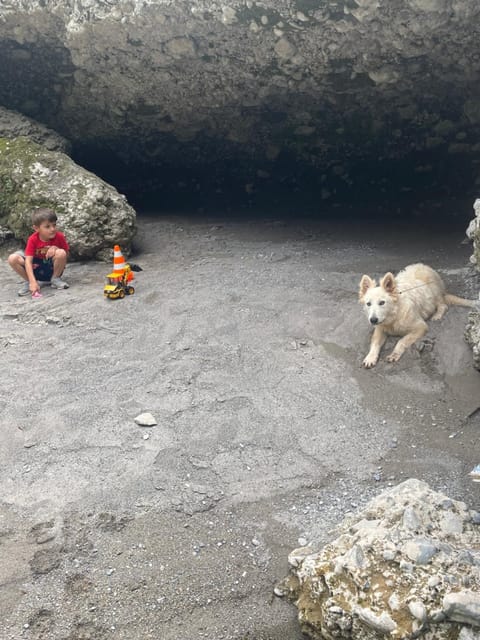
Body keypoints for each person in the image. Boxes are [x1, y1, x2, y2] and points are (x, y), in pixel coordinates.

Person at [8, 207, 70, 296]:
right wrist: (32, 281)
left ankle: (55, 279)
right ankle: (30, 282)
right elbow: (28, 261)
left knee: (61, 253)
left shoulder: (59, 236)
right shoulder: (33, 239)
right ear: (36, 228)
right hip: (35, 267)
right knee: (12, 258)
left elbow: (66, 255)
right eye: (47, 226)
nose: (52, 229)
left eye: (54, 225)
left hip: (50, 268)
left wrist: (56, 248)